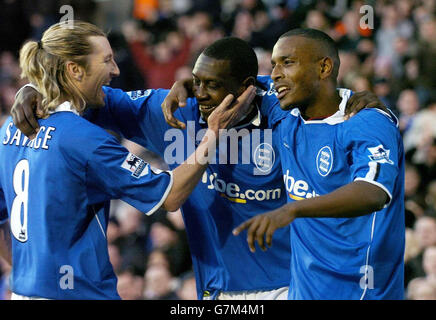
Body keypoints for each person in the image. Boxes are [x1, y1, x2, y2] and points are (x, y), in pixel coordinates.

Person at [12, 37, 385, 300]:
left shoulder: (284, 115)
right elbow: (85, 94)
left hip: (291, 283)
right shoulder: (174, 114)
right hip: (217, 289)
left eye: (211, 85)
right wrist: (33, 89)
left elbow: (305, 89)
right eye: (197, 82)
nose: (201, 94)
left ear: (246, 88)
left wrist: (354, 99)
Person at [0, 21, 255, 300]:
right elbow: (169, 196)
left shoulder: (10, 128)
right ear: (75, 69)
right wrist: (214, 134)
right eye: (107, 60)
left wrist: (32, 273)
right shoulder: (83, 139)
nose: (116, 70)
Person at [233, 28, 405, 300]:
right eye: (274, 65)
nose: (276, 74)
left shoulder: (365, 122)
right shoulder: (285, 112)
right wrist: (186, 87)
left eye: (287, 63)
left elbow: (374, 192)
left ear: (324, 67)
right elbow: (232, 84)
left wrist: (292, 210)